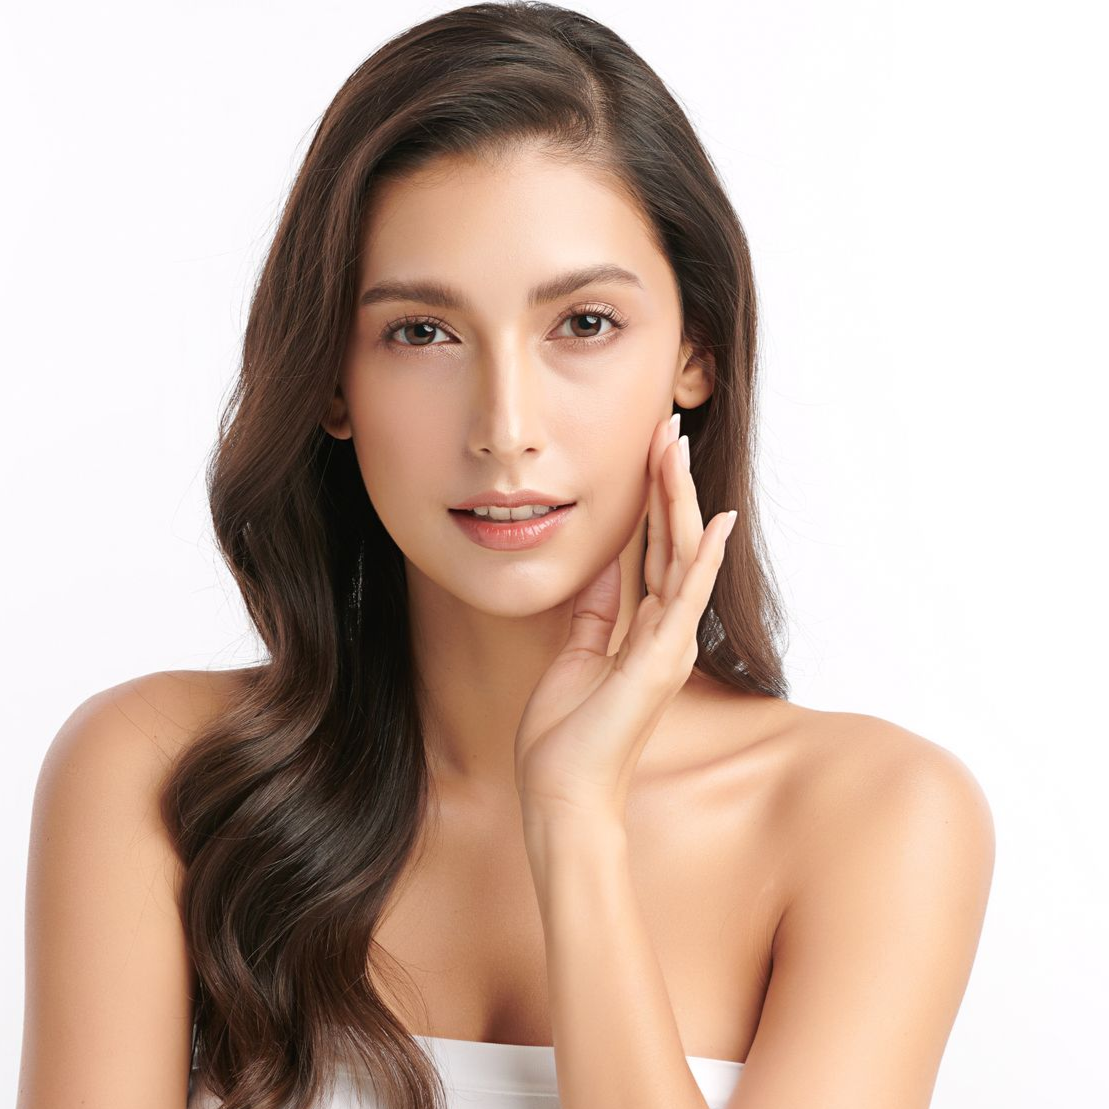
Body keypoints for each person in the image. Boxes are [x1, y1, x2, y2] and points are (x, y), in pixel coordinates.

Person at [16, 3, 995, 1108]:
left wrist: (572, 820)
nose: (503, 425)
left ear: (695, 353)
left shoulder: (873, 817)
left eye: (581, 322)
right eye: (421, 332)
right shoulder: (158, 778)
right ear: (332, 379)